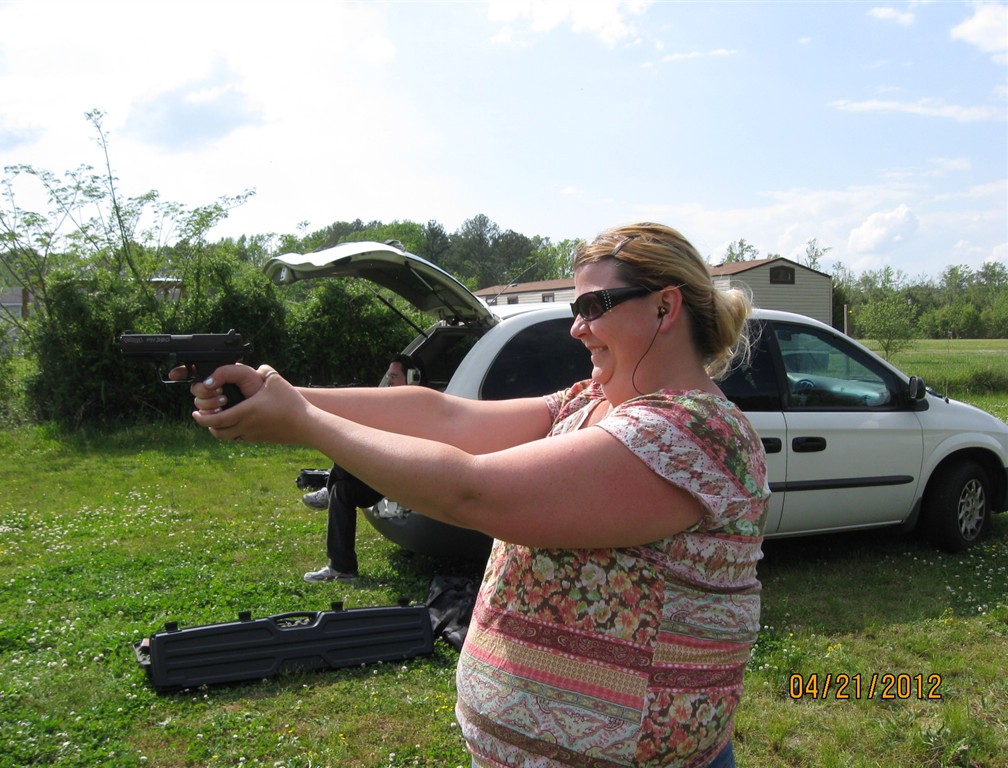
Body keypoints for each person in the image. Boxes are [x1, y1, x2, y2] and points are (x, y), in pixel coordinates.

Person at [177, 222, 770, 768]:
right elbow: (446, 418)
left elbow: (473, 492)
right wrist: (280, 393)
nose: (577, 327)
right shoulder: (592, 401)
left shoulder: (695, 432)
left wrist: (303, 422)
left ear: (665, 307)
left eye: (593, 306)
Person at [302, 353, 419, 583]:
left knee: (349, 450)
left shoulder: (417, 408)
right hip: (383, 475)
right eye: (388, 377)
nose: (389, 382)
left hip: (402, 477)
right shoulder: (385, 406)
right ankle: (342, 569)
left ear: (413, 378)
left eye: (394, 377)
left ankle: (328, 489)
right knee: (342, 491)